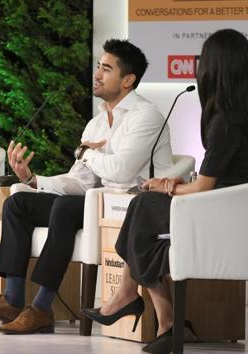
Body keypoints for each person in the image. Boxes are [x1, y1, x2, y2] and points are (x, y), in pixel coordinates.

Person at [0, 39, 175, 334]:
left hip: (134, 208)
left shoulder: (145, 117)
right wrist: (32, 179)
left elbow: (121, 173)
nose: (97, 74)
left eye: (106, 69)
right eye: (98, 66)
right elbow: (81, 181)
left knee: (65, 206)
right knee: (18, 204)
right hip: (96, 203)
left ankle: (42, 308)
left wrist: (85, 153)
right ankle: (12, 300)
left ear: (128, 80)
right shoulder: (97, 124)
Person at [81, 28, 248, 353]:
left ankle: (142, 304)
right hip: (231, 209)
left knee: (143, 205)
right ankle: (164, 321)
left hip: (223, 217)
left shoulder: (225, 121)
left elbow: (205, 186)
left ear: (214, 69)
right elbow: (218, 182)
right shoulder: (238, 116)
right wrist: (175, 185)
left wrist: (171, 188)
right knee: (148, 223)